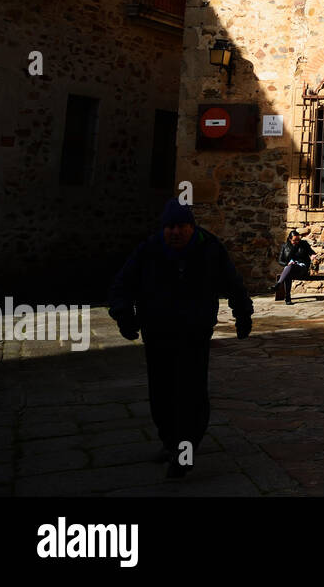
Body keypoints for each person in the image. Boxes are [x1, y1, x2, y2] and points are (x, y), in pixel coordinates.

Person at [108, 200, 253, 480]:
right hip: (157, 329)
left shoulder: (210, 249)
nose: (174, 232)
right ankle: (169, 441)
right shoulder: (149, 250)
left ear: (191, 227)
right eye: (169, 227)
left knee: (191, 391)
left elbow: (233, 282)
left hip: (194, 331)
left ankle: (185, 451)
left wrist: (242, 313)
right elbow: (122, 284)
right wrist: (123, 314)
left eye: (180, 227)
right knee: (161, 390)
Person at [275, 228, 317, 305]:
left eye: (298, 239)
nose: (297, 242)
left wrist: (313, 256)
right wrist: (286, 264)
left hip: (302, 267)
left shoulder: (303, 244)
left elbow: (312, 252)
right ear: (290, 239)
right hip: (290, 268)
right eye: (294, 240)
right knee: (288, 272)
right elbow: (280, 261)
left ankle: (279, 284)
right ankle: (287, 298)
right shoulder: (285, 246)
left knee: (289, 269)